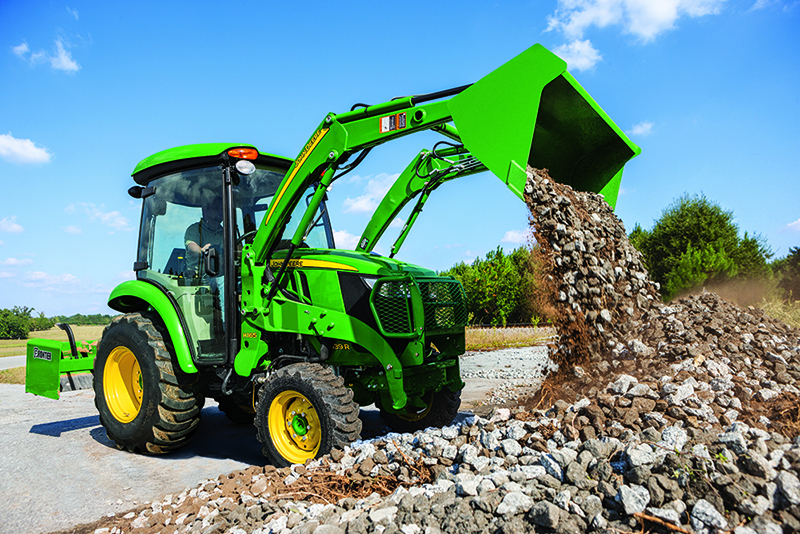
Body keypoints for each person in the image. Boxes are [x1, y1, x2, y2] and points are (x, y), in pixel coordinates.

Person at [184, 203, 224, 280]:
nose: (221, 211)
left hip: (224, 279)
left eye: (222, 208)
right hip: (198, 280)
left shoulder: (227, 233)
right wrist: (203, 251)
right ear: (205, 210)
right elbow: (192, 247)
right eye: (216, 207)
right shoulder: (195, 229)